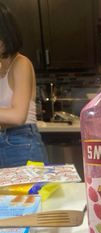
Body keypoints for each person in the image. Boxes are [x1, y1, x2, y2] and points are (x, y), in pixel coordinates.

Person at [0, 2, 48, 168]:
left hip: (19, 142)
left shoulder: (21, 63)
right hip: (8, 140)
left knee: (31, 195)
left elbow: (17, 116)